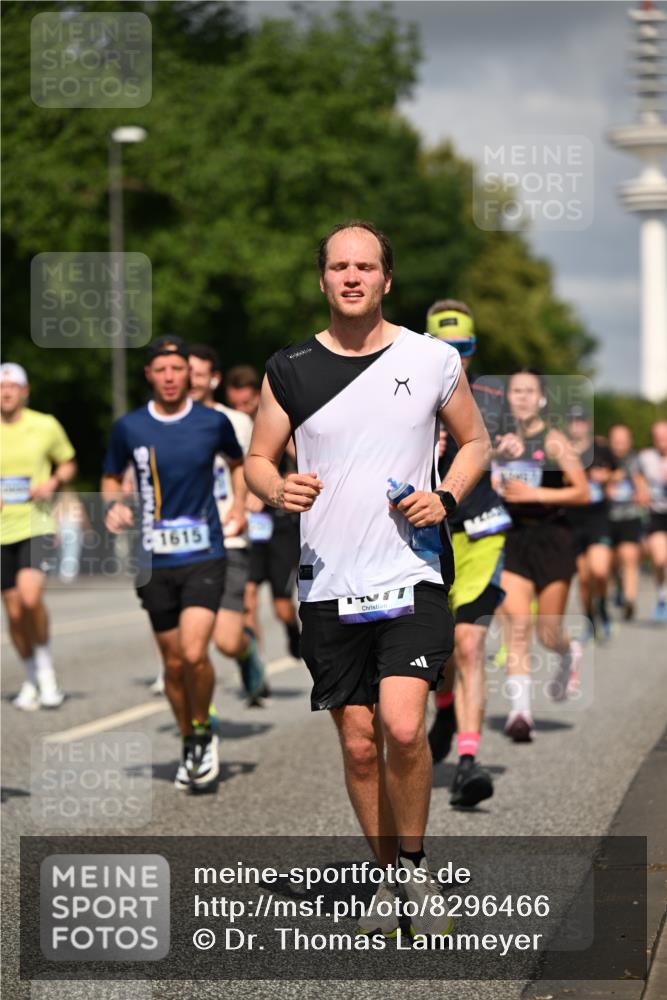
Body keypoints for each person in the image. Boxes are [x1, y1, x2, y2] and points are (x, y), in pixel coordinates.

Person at [245, 221, 490, 937]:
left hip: (410, 571)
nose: (351, 277)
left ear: (387, 279)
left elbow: (472, 441)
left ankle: (411, 868)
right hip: (328, 581)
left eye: (365, 267)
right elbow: (259, 458)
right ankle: (388, 879)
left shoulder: (433, 358)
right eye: (338, 267)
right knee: (358, 744)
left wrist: (444, 498)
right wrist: (272, 487)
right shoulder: (287, 367)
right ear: (321, 279)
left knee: (404, 726)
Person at [101, 336, 246, 792]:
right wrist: (114, 506)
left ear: (190, 375)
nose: (169, 377)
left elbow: (239, 464)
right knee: (171, 666)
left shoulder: (212, 422)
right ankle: (189, 737)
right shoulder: (129, 428)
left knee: (193, 652)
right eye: (160, 369)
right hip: (153, 560)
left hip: (205, 552)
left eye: (177, 369)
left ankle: (202, 728)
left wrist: (240, 505)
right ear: (149, 375)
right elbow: (109, 477)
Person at [424, 300, 508, 808]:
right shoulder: (406, 395)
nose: (457, 357)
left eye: (465, 349)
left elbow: (536, 453)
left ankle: (469, 763)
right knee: (439, 652)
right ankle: (446, 705)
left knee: (470, 645)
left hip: (481, 534)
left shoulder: (497, 402)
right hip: (427, 539)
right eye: (446, 348)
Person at [492, 370, 589, 742]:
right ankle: (520, 714)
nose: (522, 397)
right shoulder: (499, 439)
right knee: (517, 627)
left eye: (529, 391)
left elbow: (582, 492)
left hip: (552, 537)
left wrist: (538, 496)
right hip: (513, 537)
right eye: (516, 390)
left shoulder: (553, 440)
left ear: (541, 399)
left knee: (548, 632)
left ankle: (569, 650)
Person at [188, 345, 268, 705]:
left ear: (212, 379)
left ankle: (246, 650)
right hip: (181, 543)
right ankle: (201, 719)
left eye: (198, 375)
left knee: (225, 639)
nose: (189, 381)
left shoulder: (234, 422)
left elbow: (257, 466)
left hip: (228, 538)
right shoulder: (159, 423)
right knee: (187, 642)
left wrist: (250, 499)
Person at [1, 362, 76, 710]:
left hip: (36, 524)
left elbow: (68, 461)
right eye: (1, 387)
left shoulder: (44, 425)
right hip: (3, 529)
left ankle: (47, 674)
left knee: (30, 598)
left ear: (25, 391)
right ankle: (30, 678)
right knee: (14, 613)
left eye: (12, 386)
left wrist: (53, 482)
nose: (6, 392)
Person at [225, 365, 302, 662]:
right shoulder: (230, 428)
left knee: (282, 607)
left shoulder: (277, 421)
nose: (242, 410)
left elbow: (306, 458)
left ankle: (292, 631)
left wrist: (272, 489)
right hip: (248, 528)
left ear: (259, 397)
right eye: (236, 405)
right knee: (247, 597)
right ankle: (254, 669)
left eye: (247, 404)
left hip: (280, 525)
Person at [565, 407, 616, 639]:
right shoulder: (562, 451)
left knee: (600, 571)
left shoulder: (601, 449)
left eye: (581, 421)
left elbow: (620, 472)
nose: (578, 425)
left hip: (598, 518)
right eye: (573, 421)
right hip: (572, 520)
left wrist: (606, 477)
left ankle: (603, 605)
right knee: (584, 579)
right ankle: (590, 619)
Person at [607, 423, 649, 620]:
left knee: (630, 556)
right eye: (616, 441)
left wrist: (642, 494)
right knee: (612, 560)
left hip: (629, 515)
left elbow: (641, 481)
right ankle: (618, 587)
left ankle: (630, 599)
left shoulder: (635, 460)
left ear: (629, 442)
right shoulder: (603, 458)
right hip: (607, 516)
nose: (620, 445)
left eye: (623, 441)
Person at [638, 421, 667, 622]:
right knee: (659, 559)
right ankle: (662, 595)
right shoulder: (645, 457)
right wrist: (641, 490)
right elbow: (636, 476)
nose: (661, 441)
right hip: (656, 514)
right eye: (658, 437)